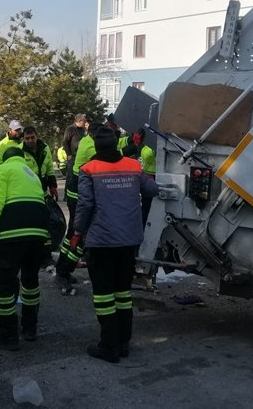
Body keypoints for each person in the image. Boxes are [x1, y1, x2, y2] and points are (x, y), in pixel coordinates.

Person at [72, 127, 158, 363]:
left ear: (97, 148)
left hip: (101, 241)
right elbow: (152, 189)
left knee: (103, 295)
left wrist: (78, 231)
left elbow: (85, 205)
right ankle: (123, 342)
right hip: (129, 240)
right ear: (116, 146)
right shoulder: (133, 166)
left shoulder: (89, 169)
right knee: (122, 292)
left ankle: (109, 345)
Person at [0, 146, 49, 350]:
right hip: (38, 233)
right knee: (30, 280)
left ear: (5, 159)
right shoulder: (32, 174)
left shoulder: (3, 170)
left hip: (13, 234)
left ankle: (7, 334)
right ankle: (30, 328)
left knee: (3, 285)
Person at [55, 121, 101, 294]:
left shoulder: (86, 141)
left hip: (76, 191)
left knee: (72, 234)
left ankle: (63, 269)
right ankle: (64, 270)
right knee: (79, 235)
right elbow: (112, 155)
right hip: (80, 195)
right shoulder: (91, 147)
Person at [21, 127, 57, 200]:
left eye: (32, 137)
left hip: (43, 186)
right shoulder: (19, 150)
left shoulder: (45, 148)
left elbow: (49, 168)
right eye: (27, 138)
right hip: (27, 188)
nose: (30, 140)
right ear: (23, 139)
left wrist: (52, 186)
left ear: (36, 136)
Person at [60, 114, 87, 180]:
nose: (85, 122)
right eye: (84, 121)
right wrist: (69, 155)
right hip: (73, 156)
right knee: (71, 176)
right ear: (80, 121)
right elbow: (65, 142)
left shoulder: (84, 129)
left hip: (82, 157)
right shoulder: (70, 129)